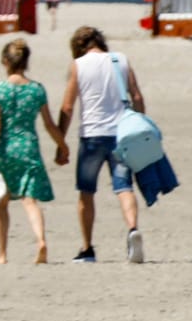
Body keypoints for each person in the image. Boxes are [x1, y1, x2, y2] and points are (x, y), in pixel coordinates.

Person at [57, 27, 147, 264]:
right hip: (122, 135)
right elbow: (136, 97)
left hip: (92, 136)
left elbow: (67, 107)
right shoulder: (121, 60)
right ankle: (132, 229)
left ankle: (87, 249)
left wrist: (60, 141)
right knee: (124, 187)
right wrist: (140, 126)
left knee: (86, 192)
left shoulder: (78, 65)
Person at [0, 39, 68, 264]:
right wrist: (62, 145)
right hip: (28, 147)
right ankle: (40, 241)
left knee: (1, 202)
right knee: (30, 201)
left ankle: (2, 254)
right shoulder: (36, 89)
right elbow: (49, 124)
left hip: (6, 149)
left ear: (4, 61)